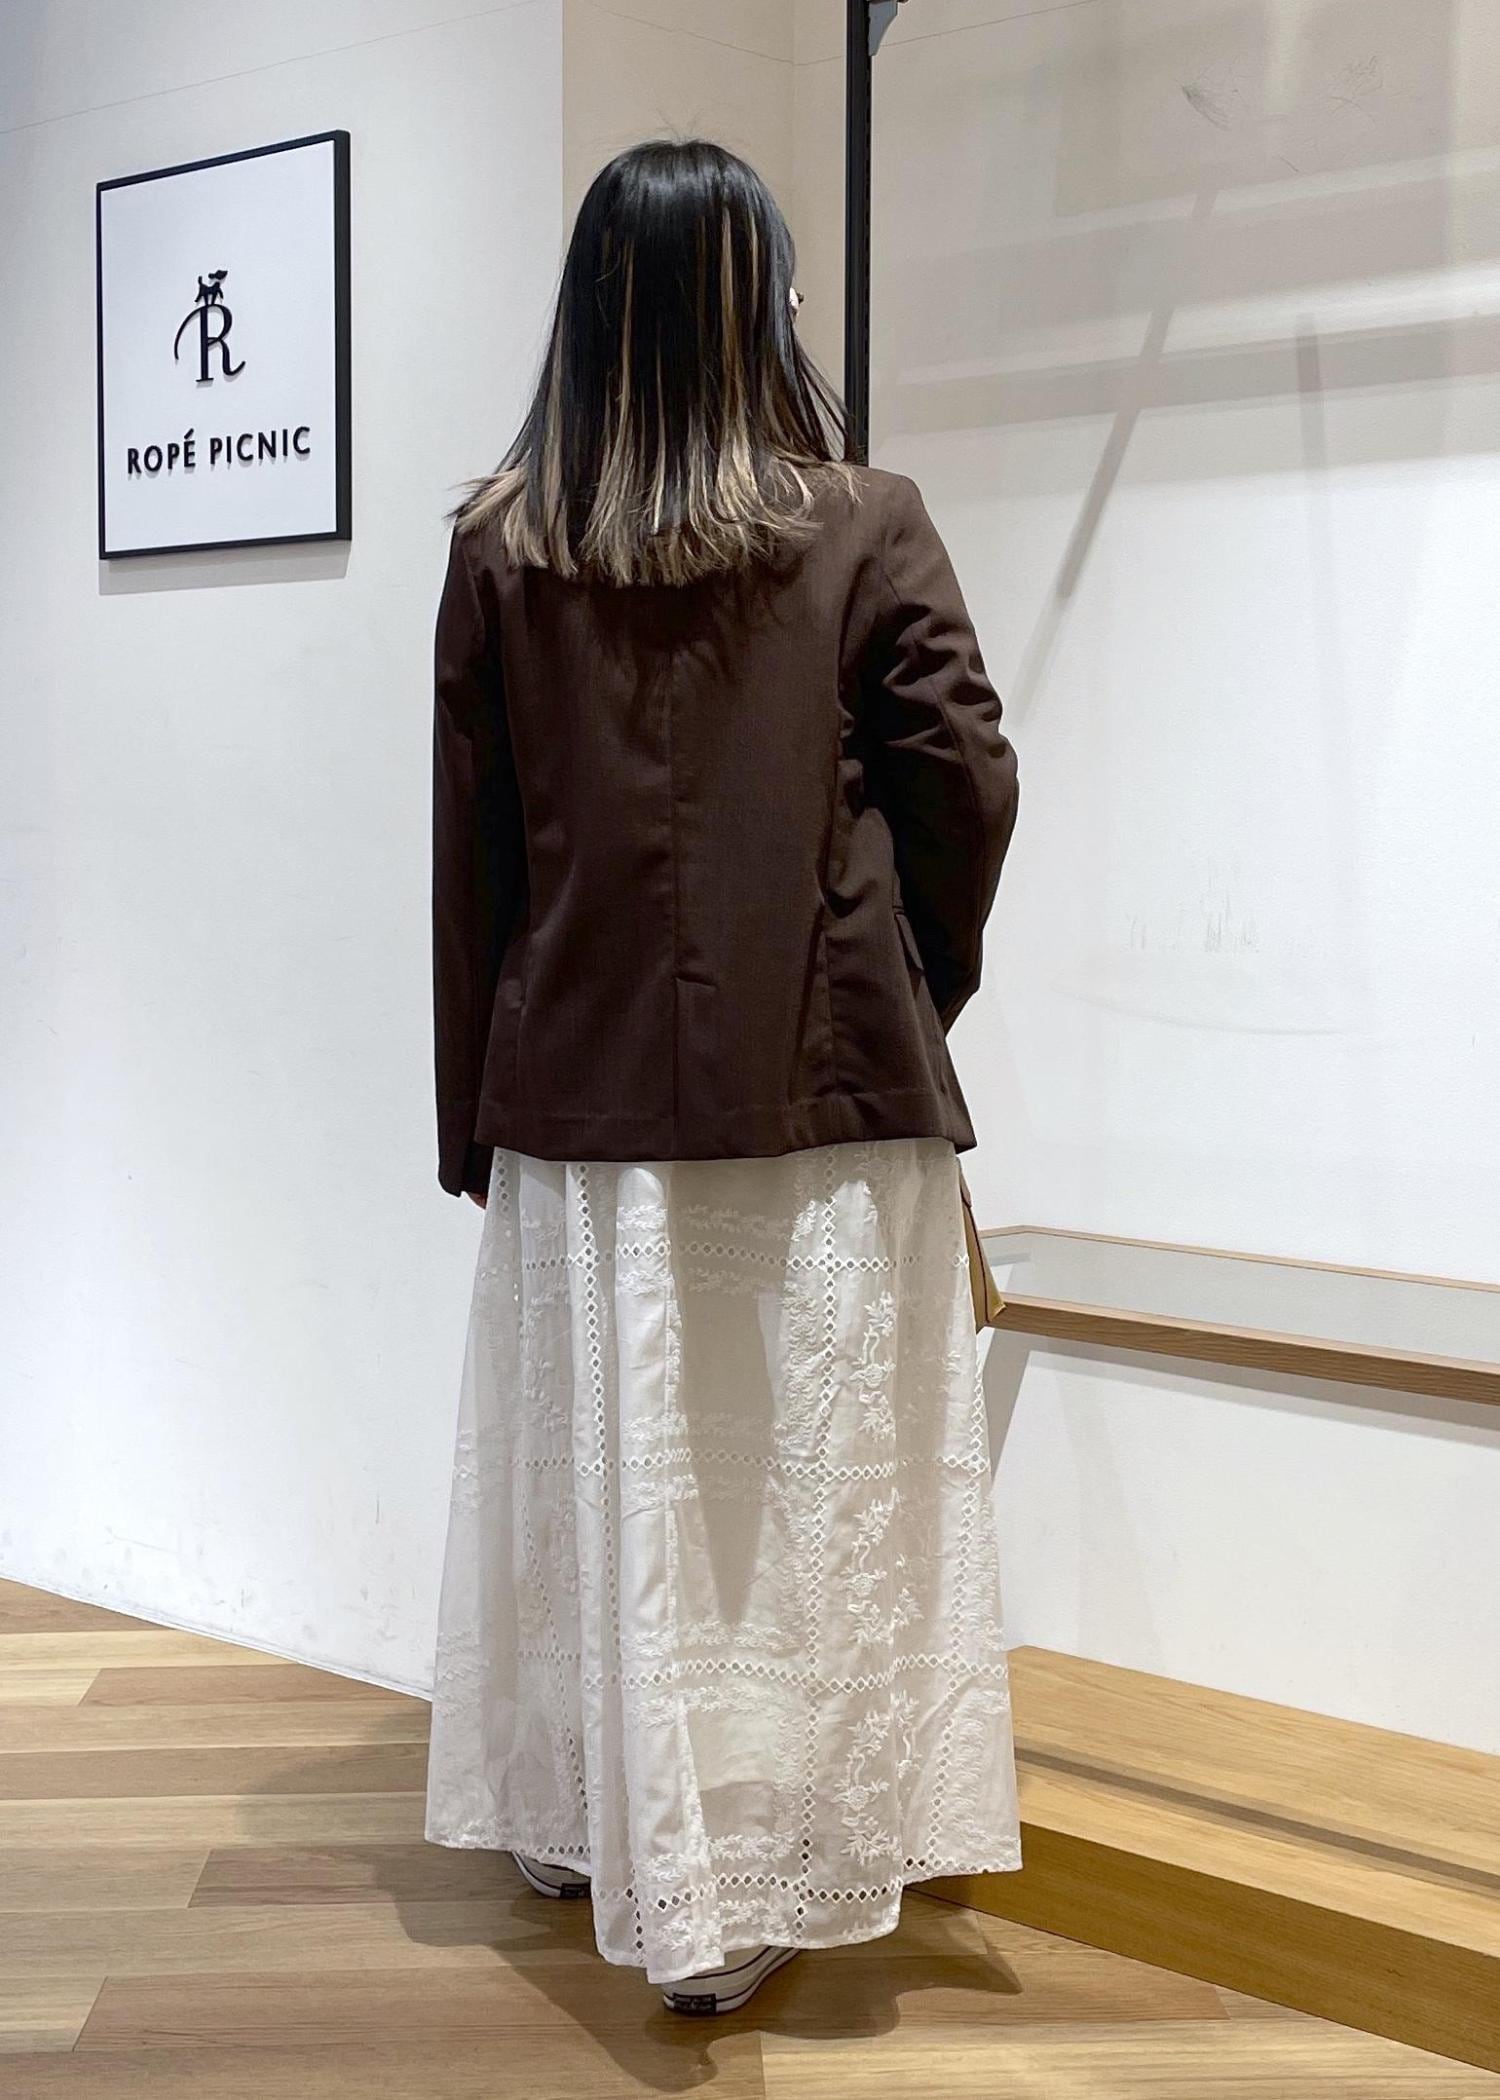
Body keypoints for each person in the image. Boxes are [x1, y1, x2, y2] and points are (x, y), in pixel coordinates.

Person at [423, 138, 1021, 2015]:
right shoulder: (864, 521)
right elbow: (966, 782)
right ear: (759, 300)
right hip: (820, 1088)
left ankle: (591, 1813)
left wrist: (472, 1107)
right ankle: (749, 1869)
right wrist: (912, 986)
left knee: (617, 1473)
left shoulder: (503, 544)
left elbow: (472, 856)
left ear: (589, 311)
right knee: (793, 1500)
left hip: (581, 1100)